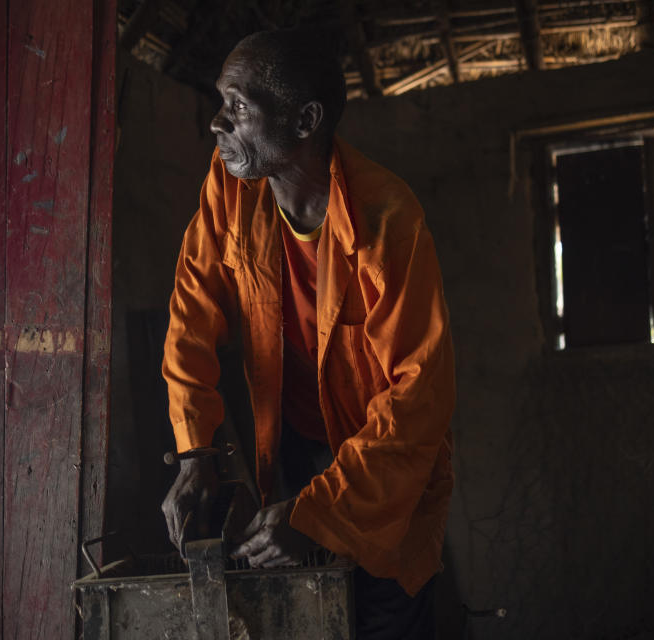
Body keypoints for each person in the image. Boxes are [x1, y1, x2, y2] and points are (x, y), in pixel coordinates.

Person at [161, 28, 455, 639]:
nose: (218, 124)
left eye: (238, 107)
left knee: (382, 616)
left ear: (305, 120)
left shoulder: (387, 220)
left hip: (382, 477)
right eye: (222, 102)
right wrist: (196, 453)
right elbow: (191, 315)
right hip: (291, 452)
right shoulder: (231, 190)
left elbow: (417, 399)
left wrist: (321, 513)